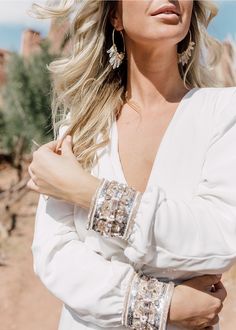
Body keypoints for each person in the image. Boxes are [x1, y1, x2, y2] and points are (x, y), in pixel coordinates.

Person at [27, 0, 236, 329]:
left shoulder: (224, 113)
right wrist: (162, 305)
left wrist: (89, 193)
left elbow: (221, 238)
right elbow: (54, 255)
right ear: (115, 15)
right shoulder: (79, 131)